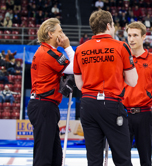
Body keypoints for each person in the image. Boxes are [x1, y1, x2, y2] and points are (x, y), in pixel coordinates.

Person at [73, 10, 138, 166]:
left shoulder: (80, 49)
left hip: (87, 104)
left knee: (94, 158)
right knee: (122, 157)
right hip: (111, 103)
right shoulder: (121, 46)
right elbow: (133, 81)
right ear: (109, 25)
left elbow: (79, 84)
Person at [27, 18, 75, 166]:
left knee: (54, 154)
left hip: (45, 105)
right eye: (60, 31)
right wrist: (67, 46)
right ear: (50, 34)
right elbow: (75, 68)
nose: (63, 34)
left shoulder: (45, 51)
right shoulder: (49, 53)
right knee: (44, 155)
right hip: (44, 105)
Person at [123, 21, 152, 166]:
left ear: (144, 37)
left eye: (135, 35)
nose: (131, 39)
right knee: (122, 157)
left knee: (145, 158)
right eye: (129, 35)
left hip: (144, 114)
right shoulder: (122, 59)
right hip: (123, 113)